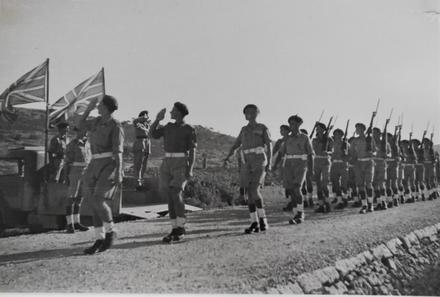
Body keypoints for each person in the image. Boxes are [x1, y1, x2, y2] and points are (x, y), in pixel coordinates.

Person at [78, 95, 124, 254]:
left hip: (108, 164)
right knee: (92, 201)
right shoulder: (97, 121)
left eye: (99, 105)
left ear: (106, 107)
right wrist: (88, 109)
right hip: (94, 164)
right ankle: (99, 238)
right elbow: (80, 125)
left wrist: (119, 171)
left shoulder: (116, 126)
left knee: (99, 199)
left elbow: (118, 151)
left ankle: (111, 231)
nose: (97, 107)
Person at [150, 102, 197, 243]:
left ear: (179, 113)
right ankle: (174, 228)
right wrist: (157, 119)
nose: (170, 112)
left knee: (176, 192)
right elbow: (152, 134)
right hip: (167, 163)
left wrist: (190, 169)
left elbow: (193, 150)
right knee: (170, 196)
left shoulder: (189, 129)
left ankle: (181, 227)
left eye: (173, 110)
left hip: (181, 162)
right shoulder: (168, 127)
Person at [224, 104, 272, 234]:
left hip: (259, 160)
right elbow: (236, 144)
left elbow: (269, 144)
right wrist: (228, 156)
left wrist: (270, 162)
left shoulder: (262, 128)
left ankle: (263, 219)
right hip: (246, 162)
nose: (248, 114)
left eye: (251, 112)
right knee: (249, 192)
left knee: (254, 190)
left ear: (257, 113)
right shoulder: (243, 130)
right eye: (246, 112)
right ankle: (254, 222)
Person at [274, 115, 314, 224]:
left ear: (299, 124)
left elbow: (310, 154)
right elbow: (281, 153)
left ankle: (301, 214)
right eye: (291, 124)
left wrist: (311, 169)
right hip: (288, 165)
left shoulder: (305, 137)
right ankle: (296, 213)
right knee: (291, 190)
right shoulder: (287, 138)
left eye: (295, 124)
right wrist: (274, 165)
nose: (292, 126)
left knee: (297, 188)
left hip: (301, 164)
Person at [63, 127, 90, 233]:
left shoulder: (87, 144)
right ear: (78, 132)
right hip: (74, 172)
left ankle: (77, 222)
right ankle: (70, 224)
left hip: (85, 172)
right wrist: (66, 177)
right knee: (71, 198)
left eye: (86, 131)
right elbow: (67, 162)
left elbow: (89, 159)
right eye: (83, 131)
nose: (86, 133)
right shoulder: (72, 144)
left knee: (80, 198)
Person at [349, 123, 376, 214]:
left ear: (362, 130)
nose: (356, 130)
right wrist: (353, 160)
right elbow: (352, 153)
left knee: (368, 184)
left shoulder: (370, 139)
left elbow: (375, 151)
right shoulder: (354, 141)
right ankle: (364, 205)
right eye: (356, 128)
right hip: (359, 163)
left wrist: (371, 153)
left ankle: (370, 204)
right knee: (360, 185)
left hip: (368, 162)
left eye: (358, 128)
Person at [312, 122, 332, 213]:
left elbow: (332, 151)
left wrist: (327, 152)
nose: (317, 130)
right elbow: (313, 150)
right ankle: (320, 204)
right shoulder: (315, 140)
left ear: (324, 130)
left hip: (325, 162)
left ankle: (327, 203)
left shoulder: (329, 140)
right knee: (318, 185)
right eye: (317, 128)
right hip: (316, 162)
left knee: (325, 184)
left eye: (319, 128)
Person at [329, 128, 349, 209]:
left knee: (344, 184)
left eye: (338, 134)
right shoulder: (332, 144)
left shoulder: (346, 144)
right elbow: (331, 152)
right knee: (335, 183)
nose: (336, 136)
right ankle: (340, 201)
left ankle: (345, 199)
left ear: (342, 135)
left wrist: (345, 156)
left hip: (343, 164)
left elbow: (349, 155)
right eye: (335, 134)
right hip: (334, 164)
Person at [272, 125, 291, 211]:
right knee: (286, 184)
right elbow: (276, 153)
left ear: (288, 130)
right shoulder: (280, 141)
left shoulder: (292, 139)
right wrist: (273, 164)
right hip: (283, 163)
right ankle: (289, 202)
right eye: (280, 130)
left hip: (293, 162)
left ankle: (296, 201)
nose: (281, 131)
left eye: (283, 130)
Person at [372, 125, 390, 211]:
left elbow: (390, 154)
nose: (374, 135)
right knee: (375, 184)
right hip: (373, 165)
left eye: (376, 133)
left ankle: (384, 202)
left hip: (382, 164)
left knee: (381, 183)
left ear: (380, 134)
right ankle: (379, 203)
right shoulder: (371, 143)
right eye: (373, 133)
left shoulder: (385, 144)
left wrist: (386, 155)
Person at [132, 110, 151, 189]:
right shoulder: (137, 122)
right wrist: (142, 118)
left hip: (147, 141)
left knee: (144, 163)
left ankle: (141, 180)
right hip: (140, 141)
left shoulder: (147, 123)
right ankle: (137, 181)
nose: (147, 117)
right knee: (138, 163)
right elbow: (135, 121)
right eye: (146, 115)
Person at [385, 131, 400, 208]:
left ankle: (396, 199)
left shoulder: (395, 146)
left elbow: (398, 157)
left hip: (393, 166)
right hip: (386, 166)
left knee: (394, 183)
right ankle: (390, 200)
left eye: (388, 137)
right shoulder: (384, 145)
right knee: (387, 184)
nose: (386, 138)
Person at [300, 129, 315, 208]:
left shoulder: (309, 143)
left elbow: (311, 155)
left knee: (309, 183)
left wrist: (311, 168)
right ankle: (305, 199)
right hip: (300, 164)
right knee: (302, 184)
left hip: (308, 164)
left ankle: (310, 198)